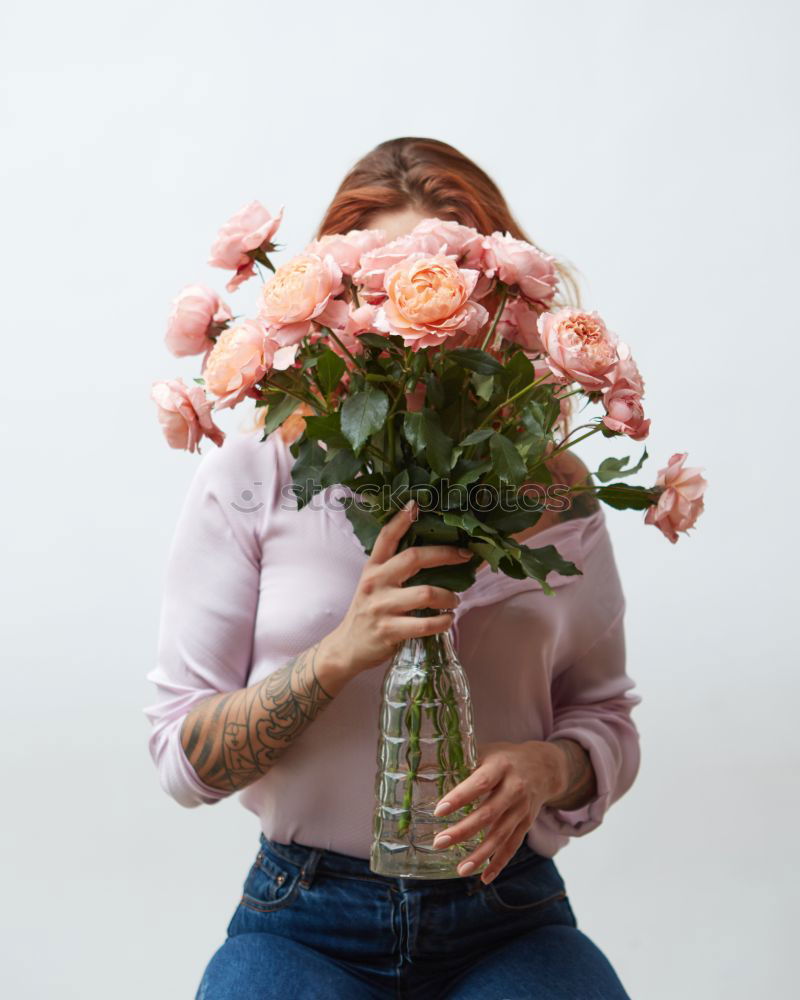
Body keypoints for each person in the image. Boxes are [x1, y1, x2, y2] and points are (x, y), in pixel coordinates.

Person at [144, 137, 641, 999]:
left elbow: (606, 718)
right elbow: (180, 757)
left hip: (508, 912)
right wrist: (340, 652)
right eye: (379, 285)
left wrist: (547, 769)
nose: (415, 308)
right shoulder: (257, 470)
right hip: (304, 918)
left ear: (500, 304)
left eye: (457, 278)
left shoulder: (554, 487)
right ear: (333, 302)